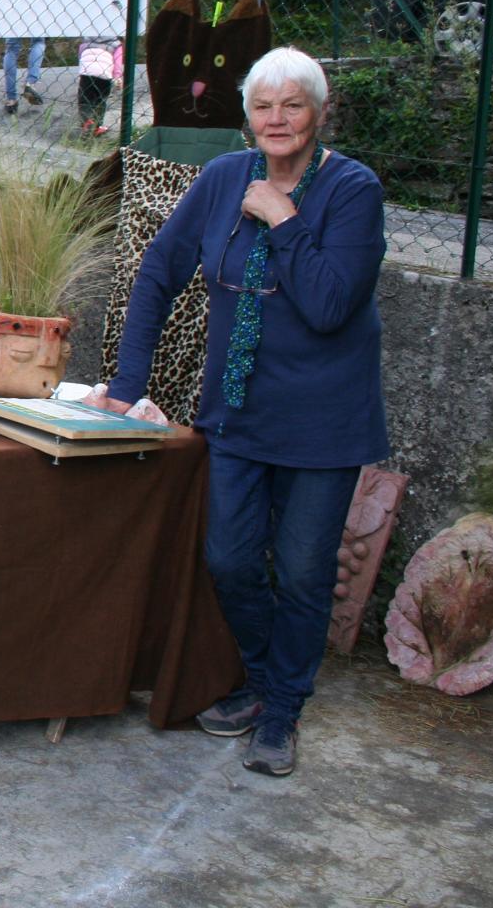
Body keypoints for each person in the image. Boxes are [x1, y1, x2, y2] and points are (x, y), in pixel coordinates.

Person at [86, 46, 387, 777]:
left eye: (293, 105)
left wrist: (284, 221)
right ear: (246, 114)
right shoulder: (224, 177)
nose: (276, 119)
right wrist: (127, 383)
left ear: (320, 112)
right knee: (228, 557)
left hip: (323, 424)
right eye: (263, 105)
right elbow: (158, 271)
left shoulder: (353, 190)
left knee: (305, 572)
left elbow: (328, 304)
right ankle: (260, 678)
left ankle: (281, 712)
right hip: (237, 414)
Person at [76, 37, 123, 136]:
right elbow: (117, 62)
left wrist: (82, 71)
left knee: (85, 99)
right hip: (104, 74)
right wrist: (117, 77)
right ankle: (97, 126)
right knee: (100, 100)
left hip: (87, 73)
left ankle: (86, 122)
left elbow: (81, 56)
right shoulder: (116, 44)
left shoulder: (86, 41)